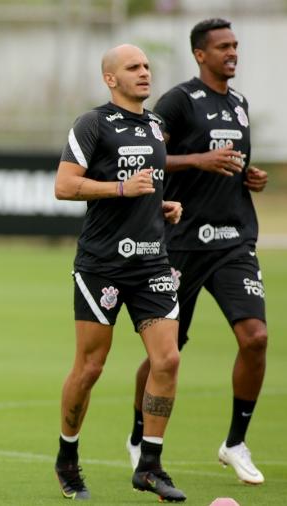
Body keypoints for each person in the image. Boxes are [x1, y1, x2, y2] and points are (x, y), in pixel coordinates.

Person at [126, 18, 269, 485]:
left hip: (234, 240)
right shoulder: (179, 101)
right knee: (166, 353)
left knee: (255, 338)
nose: (233, 52)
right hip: (181, 243)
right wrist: (198, 161)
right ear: (200, 55)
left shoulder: (240, 103)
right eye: (223, 46)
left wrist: (250, 176)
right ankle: (138, 435)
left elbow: (230, 161)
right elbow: (149, 155)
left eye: (235, 45)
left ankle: (235, 442)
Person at [53, 44, 187, 502]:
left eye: (147, 66)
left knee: (167, 360)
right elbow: (64, 185)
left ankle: (149, 464)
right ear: (111, 79)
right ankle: (67, 458)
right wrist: (121, 188)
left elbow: (146, 187)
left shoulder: (156, 126)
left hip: (152, 261)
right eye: (134, 67)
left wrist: (160, 206)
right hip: (102, 265)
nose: (145, 73)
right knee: (90, 367)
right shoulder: (92, 124)